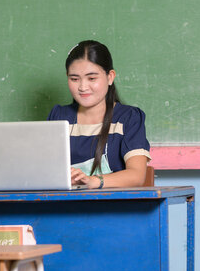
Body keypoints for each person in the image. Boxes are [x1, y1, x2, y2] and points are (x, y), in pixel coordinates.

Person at [48, 40, 151, 189]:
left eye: (92, 78)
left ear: (110, 77)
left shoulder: (128, 118)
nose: (83, 87)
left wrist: (92, 181)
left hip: (113, 207)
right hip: (64, 207)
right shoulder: (59, 116)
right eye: (74, 79)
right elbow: (45, 170)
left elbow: (137, 175)